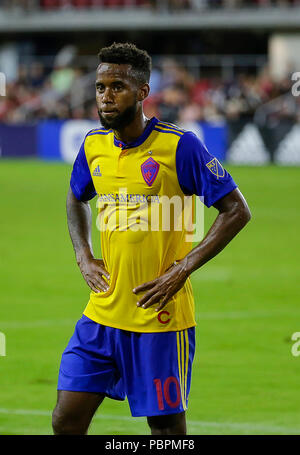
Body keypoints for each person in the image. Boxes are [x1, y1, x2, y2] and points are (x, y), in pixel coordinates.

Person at [52, 42, 251, 435]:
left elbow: (236, 210)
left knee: (165, 430)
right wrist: (83, 254)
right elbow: (77, 197)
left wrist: (183, 268)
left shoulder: (179, 146)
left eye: (117, 87)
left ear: (142, 92)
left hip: (160, 318)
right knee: (65, 419)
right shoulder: (94, 145)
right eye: (100, 87)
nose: (106, 97)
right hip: (102, 313)